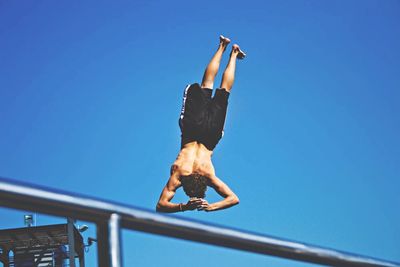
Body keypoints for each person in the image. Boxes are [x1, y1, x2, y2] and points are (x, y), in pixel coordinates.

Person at [156, 35, 245, 213]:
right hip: (191, 130)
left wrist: (211, 206)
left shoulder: (208, 175)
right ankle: (222, 45)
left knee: (224, 91)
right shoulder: (179, 174)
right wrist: (183, 206)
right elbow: (161, 206)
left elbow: (233, 199)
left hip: (211, 136)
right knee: (207, 84)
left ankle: (234, 53)